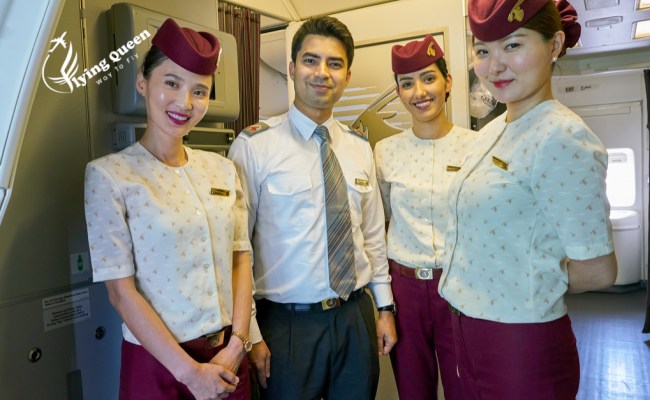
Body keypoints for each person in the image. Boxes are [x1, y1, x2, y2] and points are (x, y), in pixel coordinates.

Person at [439, 1, 618, 399]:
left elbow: (598, 271)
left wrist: (525, 281)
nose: (494, 66)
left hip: (519, 340)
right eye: (483, 50)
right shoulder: (491, 132)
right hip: (466, 328)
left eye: (513, 45)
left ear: (554, 45)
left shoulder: (562, 136)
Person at [228, 15, 397, 400]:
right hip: (287, 325)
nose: (322, 72)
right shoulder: (254, 146)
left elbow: (372, 237)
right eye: (310, 60)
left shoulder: (359, 147)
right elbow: (238, 249)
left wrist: (385, 307)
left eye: (334, 64)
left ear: (347, 76)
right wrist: (249, 334)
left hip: (355, 315)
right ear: (292, 68)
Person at [84, 18, 253, 400]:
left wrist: (238, 344)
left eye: (199, 91)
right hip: (158, 364)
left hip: (227, 357)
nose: (185, 103)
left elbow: (241, 258)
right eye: (172, 83)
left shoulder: (223, 170)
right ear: (142, 83)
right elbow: (120, 292)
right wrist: (190, 374)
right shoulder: (110, 176)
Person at [373, 34, 472, 400]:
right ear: (399, 92)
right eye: (406, 83)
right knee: (413, 391)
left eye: (429, 78)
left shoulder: (477, 147)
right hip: (405, 291)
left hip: (460, 284)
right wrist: (383, 305)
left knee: (465, 387)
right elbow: (381, 223)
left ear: (448, 82)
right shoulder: (385, 152)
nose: (419, 92)